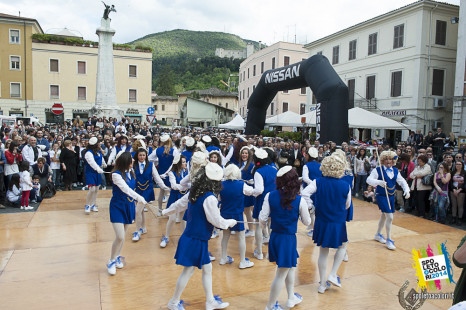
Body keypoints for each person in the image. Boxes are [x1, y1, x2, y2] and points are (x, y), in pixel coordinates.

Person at [164, 163, 236, 310]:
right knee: (188, 271)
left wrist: (166, 211)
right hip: (195, 239)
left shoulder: (195, 193)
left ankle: (210, 301)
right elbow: (216, 221)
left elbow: (179, 204)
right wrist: (230, 222)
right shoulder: (210, 198)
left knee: (207, 268)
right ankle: (173, 302)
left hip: (194, 238)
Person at [260, 166, 311, 309]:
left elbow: (262, 219)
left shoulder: (270, 195)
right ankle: (270, 306)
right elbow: (307, 222)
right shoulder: (300, 200)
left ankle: (291, 297)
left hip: (275, 237)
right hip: (288, 239)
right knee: (281, 273)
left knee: (290, 268)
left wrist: (266, 226)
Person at [301, 154, 351, 294]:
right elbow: (347, 205)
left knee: (323, 251)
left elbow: (304, 194)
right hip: (337, 221)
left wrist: (312, 206)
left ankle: (322, 284)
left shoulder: (318, 182)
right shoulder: (345, 185)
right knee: (342, 247)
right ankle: (333, 274)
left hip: (322, 220)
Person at [107, 152, 147, 276]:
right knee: (120, 236)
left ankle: (118, 255)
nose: (134, 161)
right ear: (126, 161)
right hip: (117, 206)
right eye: (131, 160)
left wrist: (137, 200)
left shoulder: (131, 172)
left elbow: (132, 188)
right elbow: (125, 189)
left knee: (123, 235)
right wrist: (139, 197)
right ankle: (111, 260)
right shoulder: (116, 175)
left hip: (129, 206)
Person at [367, 151, 410, 250]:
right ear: (382, 160)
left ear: (393, 160)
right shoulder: (378, 170)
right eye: (386, 159)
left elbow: (402, 181)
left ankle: (378, 234)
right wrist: (378, 182)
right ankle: (389, 239)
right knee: (389, 217)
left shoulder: (395, 170)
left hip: (390, 196)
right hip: (381, 195)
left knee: (384, 215)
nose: (388, 161)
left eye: (390, 159)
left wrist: (407, 190)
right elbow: (368, 180)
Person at [218, 164, 255, 269]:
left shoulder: (221, 184)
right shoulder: (241, 184)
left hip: (225, 213)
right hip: (238, 215)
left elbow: (219, 199)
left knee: (225, 236)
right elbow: (251, 192)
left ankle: (223, 258)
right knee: (241, 237)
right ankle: (243, 261)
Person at [132, 147, 170, 242]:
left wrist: (164, 187)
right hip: (137, 190)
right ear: (137, 156)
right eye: (140, 155)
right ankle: (143, 228)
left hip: (147, 190)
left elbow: (156, 177)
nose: (142, 157)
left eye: (143, 155)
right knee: (140, 211)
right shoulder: (133, 165)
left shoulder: (151, 165)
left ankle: (137, 231)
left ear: (146, 156)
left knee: (137, 211)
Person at [252, 148, 278, 260]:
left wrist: (250, 192)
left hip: (262, 200)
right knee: (271, 225)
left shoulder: (258, 172)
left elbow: (259, 189)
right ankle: (272, 250)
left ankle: (259, 252)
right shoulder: (274, 169)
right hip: (274, 199)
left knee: (259, 225)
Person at [160, 154, 188, 248]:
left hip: (184, 196)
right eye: (183, 162)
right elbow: (173, 186)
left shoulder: (187, 171)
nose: (185, 164)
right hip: (174, 196)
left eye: (185, 161)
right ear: (178, 163)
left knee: (183, 218)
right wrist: (187, 186)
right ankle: (166, 237)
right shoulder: (172, 172)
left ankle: (184, 237)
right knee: (172, 218)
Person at [149, 134, 175, 215]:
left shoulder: (158, 150)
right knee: (172, 193)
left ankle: (159, 210)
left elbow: (149, 158)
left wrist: (157, 160)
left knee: (161, 192)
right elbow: (175, 163)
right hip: (170, 174)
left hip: (160, 173)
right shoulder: (173, 150)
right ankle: (169, 210)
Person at [84, 137, 105, 214]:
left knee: (96, 189)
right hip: (91, 173)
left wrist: (104, 164)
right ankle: (87, 205)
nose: (100, 145)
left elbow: (101, 159)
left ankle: (92, 204)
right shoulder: (88, 153)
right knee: (92, 189)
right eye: (98, 143)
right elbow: (91, 162)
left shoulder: (98, 152)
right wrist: (97, 168)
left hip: (97, 172)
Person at [238, 146, 255, 237]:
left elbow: (252, 180)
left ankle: (252, 230)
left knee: (248, 211)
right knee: (246, 211)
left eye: (246, 153)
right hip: (241, 191)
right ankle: (250, 228)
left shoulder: (251, 166)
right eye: (243, 153)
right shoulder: (239, 165)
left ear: (249, 155)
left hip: (248, 191)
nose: (244, 155)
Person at [450, 161, 466, 225]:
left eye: (459, 164)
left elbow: (465, 183)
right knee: (454, 205)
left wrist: (459, 189)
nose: (458, 165)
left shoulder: (464, 173)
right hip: (453, 190)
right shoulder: (453, 172)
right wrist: (453, 189)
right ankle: (453, 217)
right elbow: (450, 182)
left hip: (461, 191)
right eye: (457, 164)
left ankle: (460, 218)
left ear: (462, 165)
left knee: (460, 205)